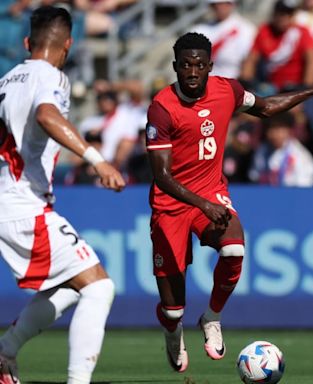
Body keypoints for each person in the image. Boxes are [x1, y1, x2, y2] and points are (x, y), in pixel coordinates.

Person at [146, 31, 313, 373]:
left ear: (210, 66)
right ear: (175, 67)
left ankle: (212, 317)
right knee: (172, 308)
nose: (193, 72)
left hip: (210, 193)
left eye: (199, 65)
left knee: (234, 249)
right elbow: (162, 177)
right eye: (185, 65)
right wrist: (202, 204)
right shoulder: (162, 108)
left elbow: (268, 107)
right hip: (171, 204)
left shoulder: (227, 90)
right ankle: (173, 330)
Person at [0, 5, 125, 384]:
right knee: (100, 287)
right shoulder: (52, 76)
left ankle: (4, 355)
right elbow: (47, 116)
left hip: (12, 199)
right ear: (68, 44)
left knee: (71, 287)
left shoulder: (7, 79)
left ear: (26, 42)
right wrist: (98, 161)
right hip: (23, 204)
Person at [249, 111, 313, 186]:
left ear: (288, 130)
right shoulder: (262, 151)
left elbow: (305, 184)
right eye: (271, 130)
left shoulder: (299, 154)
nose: (274, 134)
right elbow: (254, 177)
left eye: (279, 130)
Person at [191, 0, 256, 79]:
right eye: (215, 5)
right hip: (204, 82)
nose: (219, 7)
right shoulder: (199, 30)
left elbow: (248, 67)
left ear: (231, 4)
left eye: (223, 4)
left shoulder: (246, 29)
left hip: (233, 82)